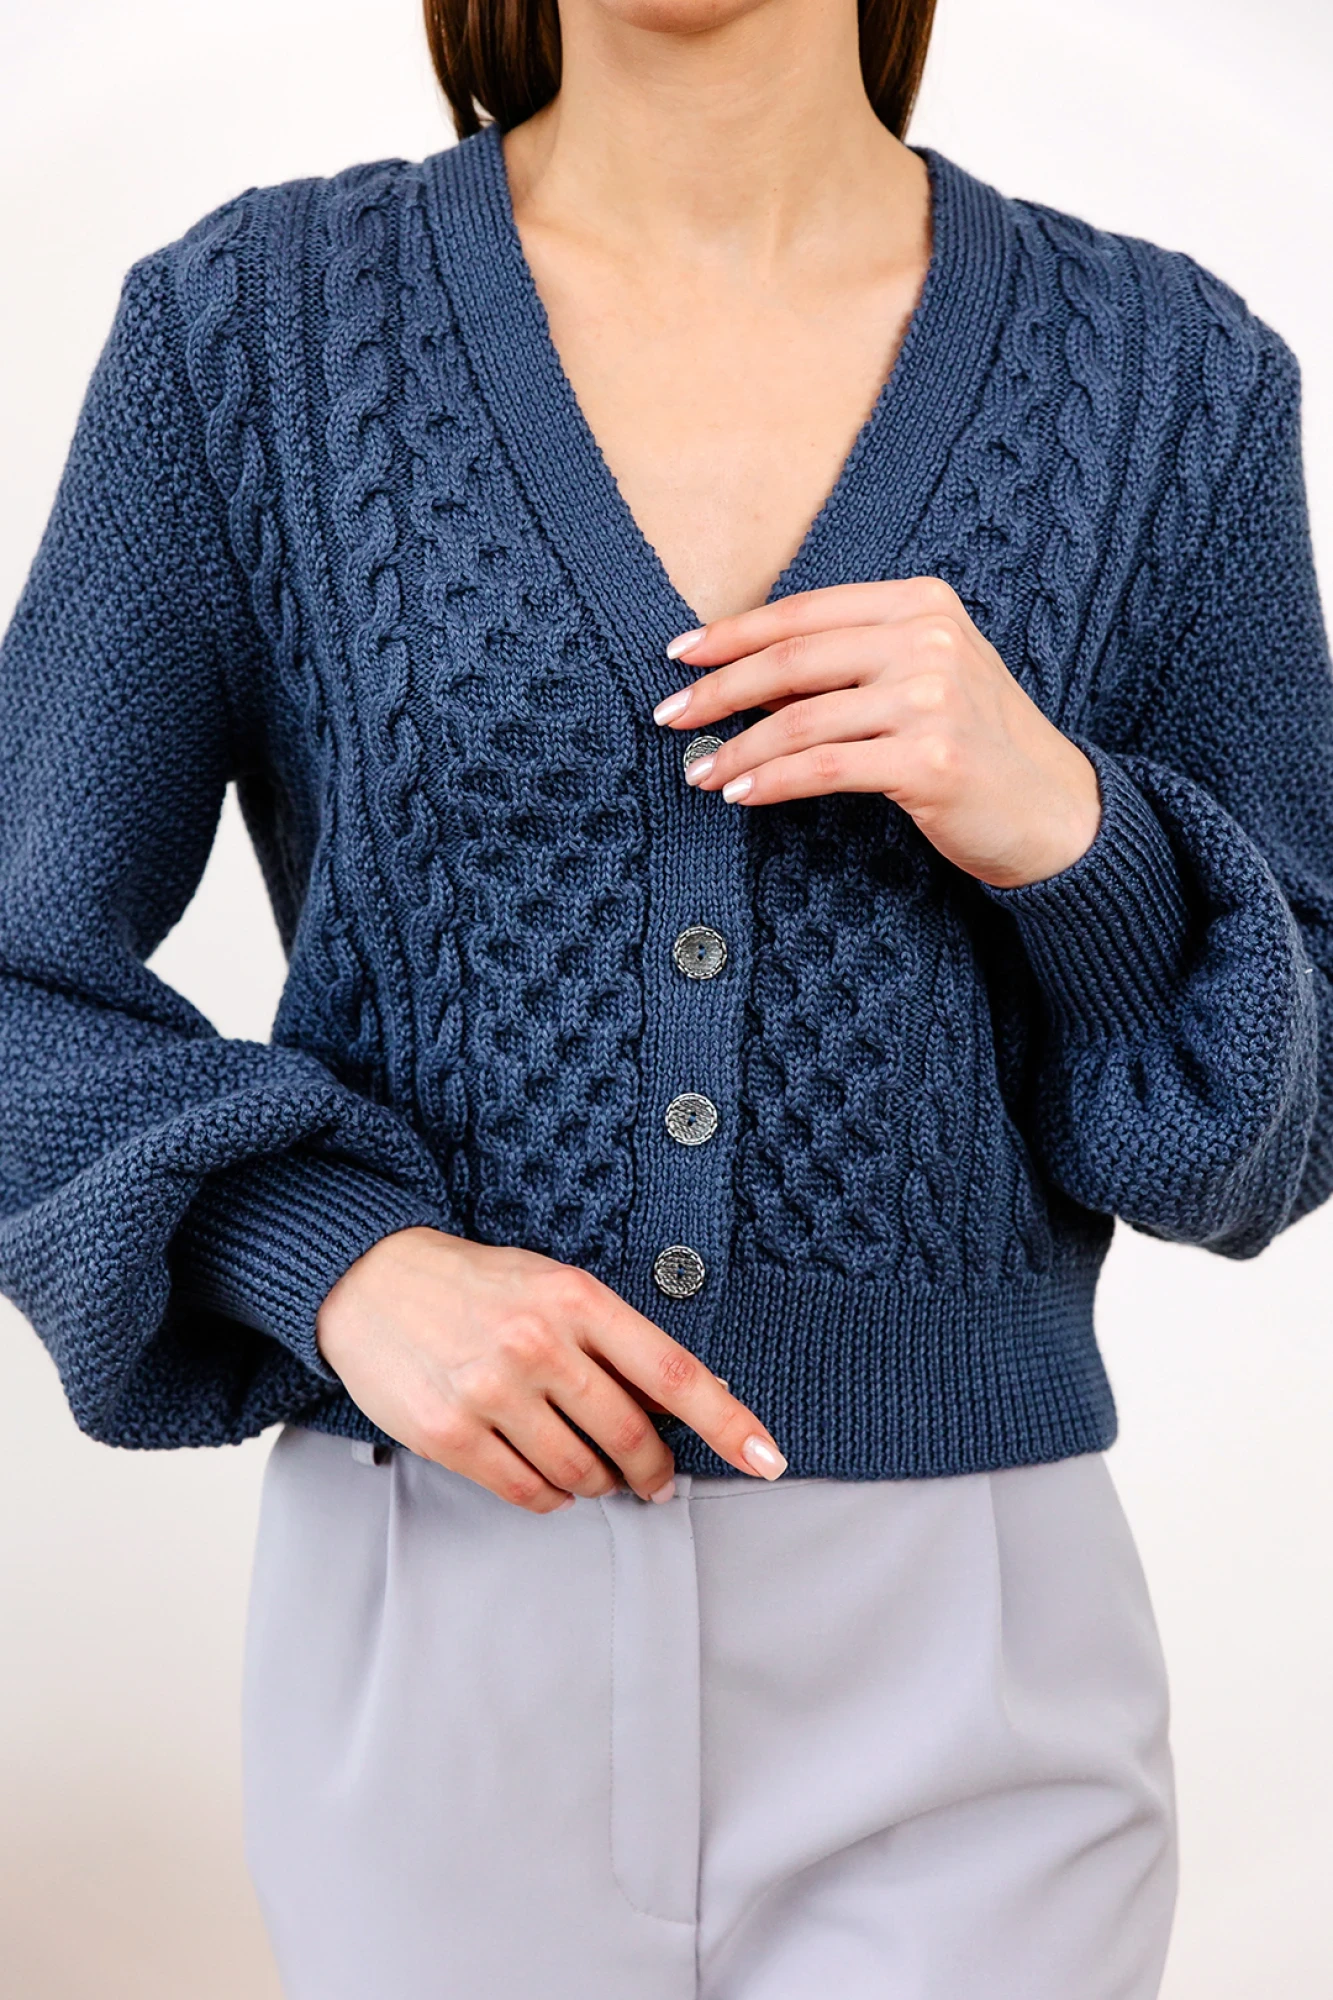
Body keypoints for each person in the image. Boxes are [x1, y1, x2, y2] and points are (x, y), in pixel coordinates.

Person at [1, 0, 1330, 1993]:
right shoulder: (250, 334)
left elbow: (1275, 1125)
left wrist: (1071, 826)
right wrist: (334, 1260)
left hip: (970, 1646)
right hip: (443, 1607)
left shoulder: (1172, 380)